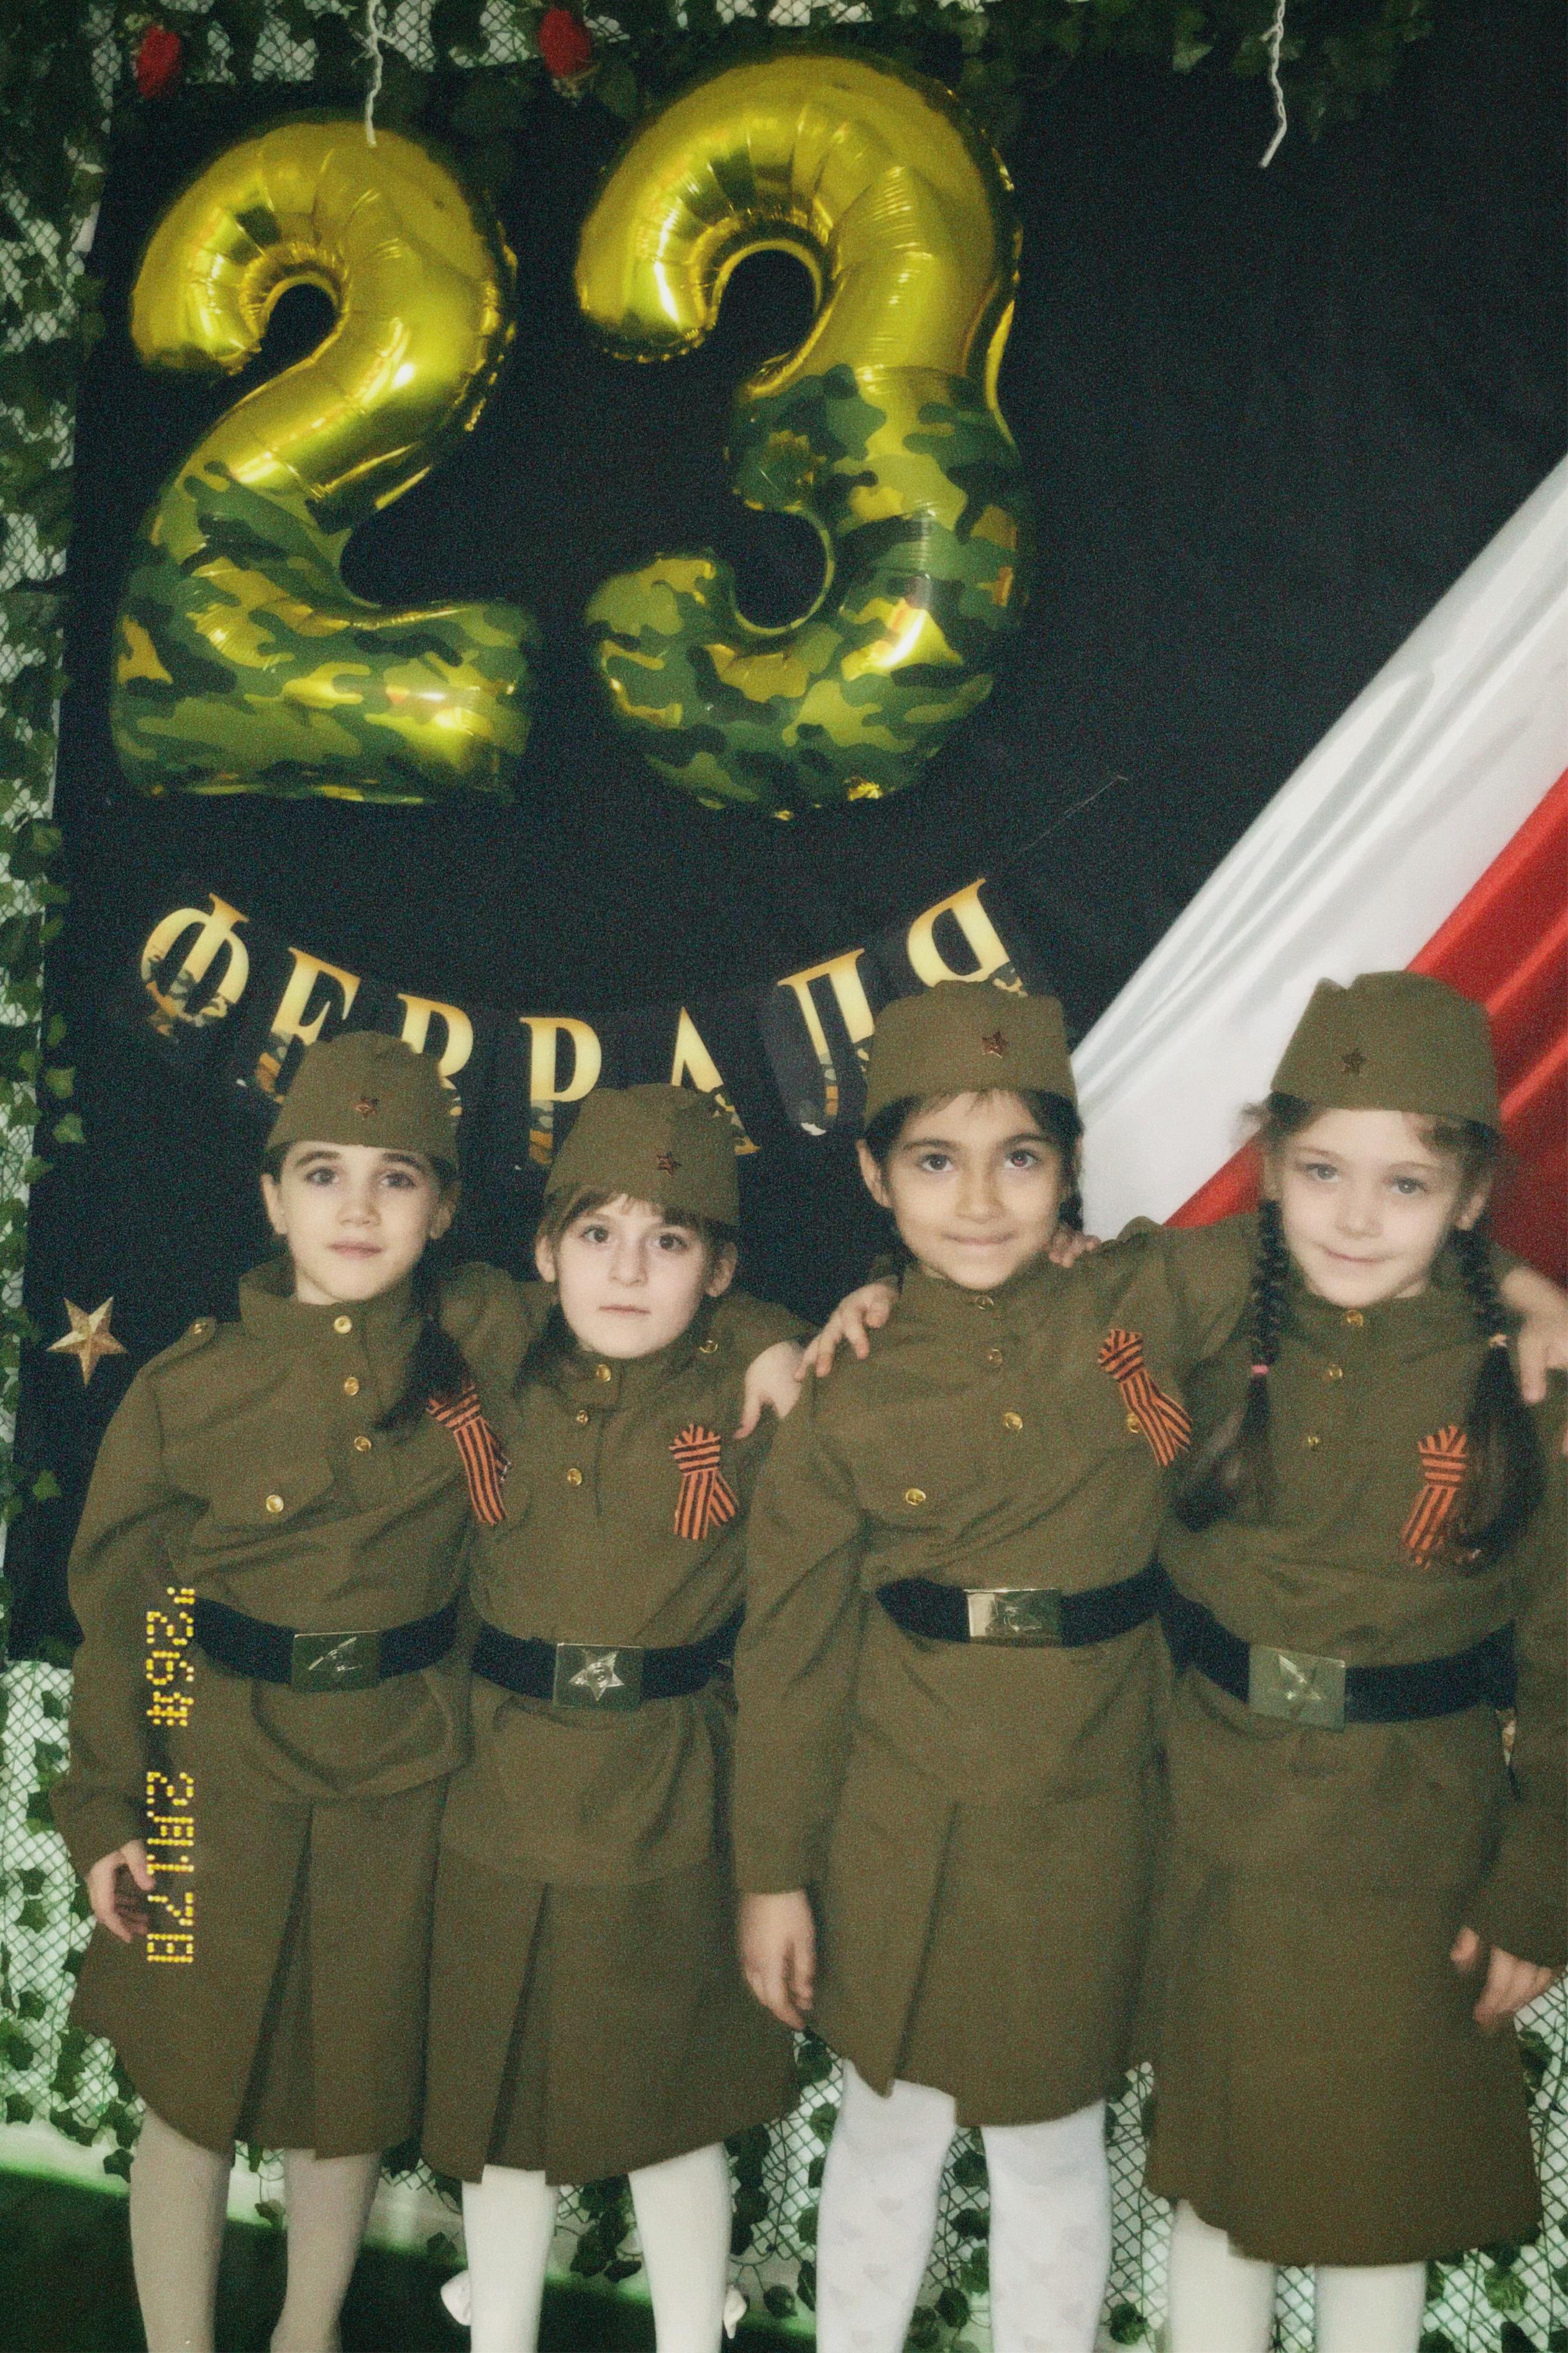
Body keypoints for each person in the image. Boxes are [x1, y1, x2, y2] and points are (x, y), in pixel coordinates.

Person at [734, 977, 1568, 2353]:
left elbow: (1354, 1240)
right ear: (876, 1176)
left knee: (1067, 2153)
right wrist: (773, 1869)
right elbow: (791, 1655)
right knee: (894, 2138)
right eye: (934, 1163)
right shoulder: (851, 1386)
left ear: (1072, 1170)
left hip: (1105, 1809)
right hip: (907, 1813)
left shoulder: (1152, 1298)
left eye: (1021, 1159)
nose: (980, 1201)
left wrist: (1528, 1289)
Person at [50, 1037, 804, 2353]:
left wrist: (779, 1339)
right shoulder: (190, 1388)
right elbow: (138, 1620)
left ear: (447, 1211)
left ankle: (310, 2333)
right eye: (322, 1175)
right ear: (270, 1196)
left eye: (396, 1179)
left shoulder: (483, 1340)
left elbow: (671, 1305)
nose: (357, 1209)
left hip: (397, 1783)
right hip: (203, 1783)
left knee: (345, 2085)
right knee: (186, 2082)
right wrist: (116, 1801)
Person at [1143, 972, 1565, 2353]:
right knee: (1215, 2184)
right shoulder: (1214, 1317)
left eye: (1407, 1184)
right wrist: (826, 1319)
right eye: (1322, 1170)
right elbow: (1046, 1301)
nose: (1356, 1217)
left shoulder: (1528, 1386)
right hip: (1217, 1818)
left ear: (1469, 1195)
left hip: (1414, 1847)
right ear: (1271, 1167)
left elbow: (1566, 1671)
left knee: (1381, 2201)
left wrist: (1538, 1888)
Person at [420, 1085, 807, 2353]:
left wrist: (760, 1333)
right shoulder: (489, 1359)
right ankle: (500, 2331)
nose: (628, 1272)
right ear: (546, 1253)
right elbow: (395, 1279)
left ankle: (693, 2333)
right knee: (504, 2104)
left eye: (670, 1241)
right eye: (597, 1235)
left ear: (720, 1269)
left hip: (669, 1788)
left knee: (669, 2110)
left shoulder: (753, 1394)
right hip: (500, 1785)